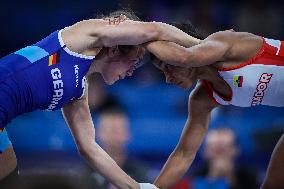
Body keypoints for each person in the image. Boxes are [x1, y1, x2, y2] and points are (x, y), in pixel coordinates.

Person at [0, 10, 193, 189]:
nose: (131, 72)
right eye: (133, 62)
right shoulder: (80, 37)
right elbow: (155, 30)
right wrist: (202, 47)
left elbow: (90, 148)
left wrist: (137, 187)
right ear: (114, 49)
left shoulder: (78, 92)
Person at [145, 23, 284, 189]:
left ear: (180, 50)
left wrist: (140, 39)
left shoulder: (225, 42)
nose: (167, 78)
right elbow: (184, 154)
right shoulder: (202, 99)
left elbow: (185, 56)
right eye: (162, 71)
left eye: (167, 66)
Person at [86, 108, 150, 189]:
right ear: (99, 133)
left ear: (127, 134)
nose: (114, 136)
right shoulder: (86, 172)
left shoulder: (140, 172)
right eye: (110, 130)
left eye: (118, 130)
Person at [194, 128, 259, 189]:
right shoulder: (195, 177)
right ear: (205, 151)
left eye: (224, 150)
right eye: (215, 150)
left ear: (236, 150)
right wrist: (212, 178)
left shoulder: (249, 176)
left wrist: (231, 178)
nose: (220, 156)